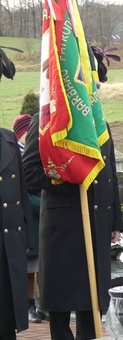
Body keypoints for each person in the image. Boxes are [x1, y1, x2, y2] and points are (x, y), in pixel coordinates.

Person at [23, 115, 123, 340]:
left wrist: (115, 220)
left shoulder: (99, 119)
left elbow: (108, 173)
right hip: (62, 225)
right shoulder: (46, 118)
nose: (94, 88)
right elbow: (30, 169)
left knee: (93, 298)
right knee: (61, 299)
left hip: (97, 221)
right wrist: (68, 179)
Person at [0, 125, 34, 340]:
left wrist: (28, 235)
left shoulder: (8, 138)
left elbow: (22, 189)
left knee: (7, 312)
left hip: (10, 239)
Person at [12, 114, 43, 324]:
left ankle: (43, 304)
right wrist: (42, 205)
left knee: (42, 265)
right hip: (29, 217)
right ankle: (29, 305)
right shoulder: (15, 155)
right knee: (29, 268)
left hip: (42, 219)